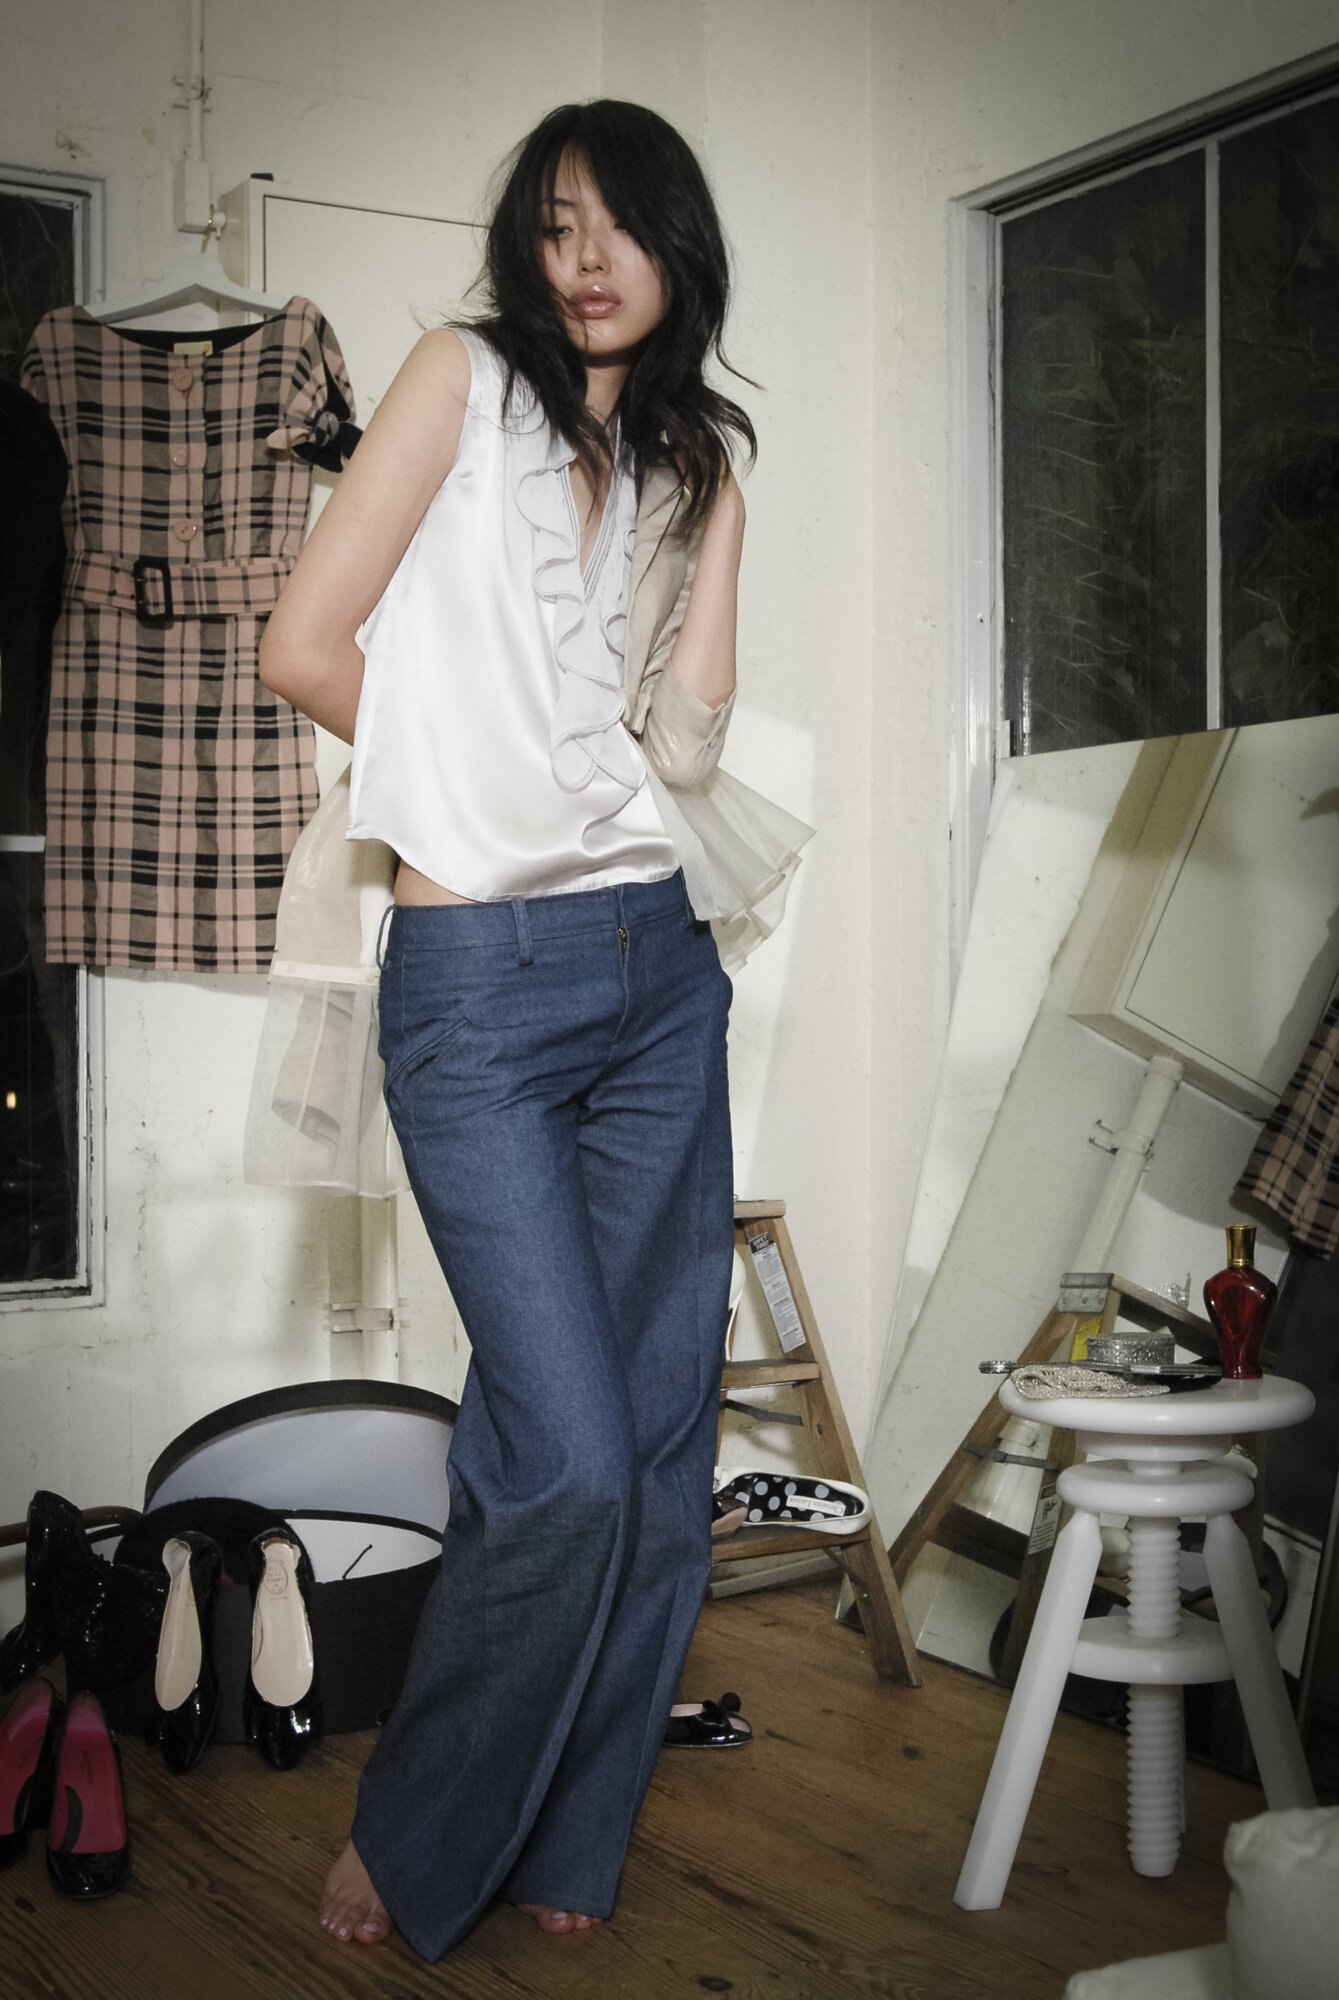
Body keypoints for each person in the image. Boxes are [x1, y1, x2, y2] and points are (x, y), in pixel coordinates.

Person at [260, 98, 762, 1963]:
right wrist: (468, 806)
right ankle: (418, 1836)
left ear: (677, 249)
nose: (589, 260)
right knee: (562, 1452)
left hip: (658, 970)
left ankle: (571, 1822)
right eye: (557, 226)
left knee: (653, 1440)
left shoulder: (690, 461)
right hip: (477, 978)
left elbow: (682, 746)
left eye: (622, 226)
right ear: (523, 253)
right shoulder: (456, 382)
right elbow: (305, 645)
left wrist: (718, 518)